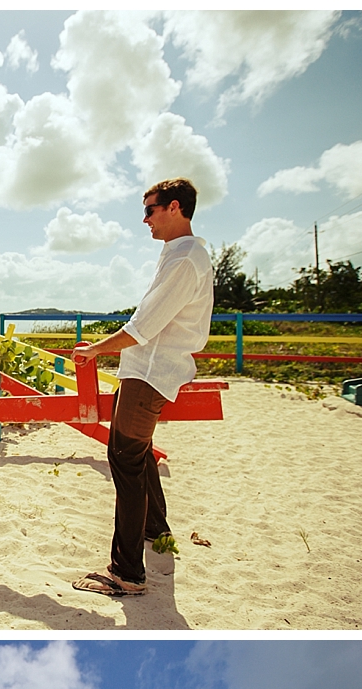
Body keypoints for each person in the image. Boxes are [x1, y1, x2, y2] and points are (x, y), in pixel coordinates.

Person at [72, 178, 214, 597]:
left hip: (151, 371)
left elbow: (143, 328)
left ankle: (127, 573)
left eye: (150, 210)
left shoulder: (185, 259)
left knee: (126, 460)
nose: (145, 219)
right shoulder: (180, 254)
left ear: (174, 207)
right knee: (135, 452)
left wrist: (96, 349)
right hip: (144, 369)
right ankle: (156, 530)